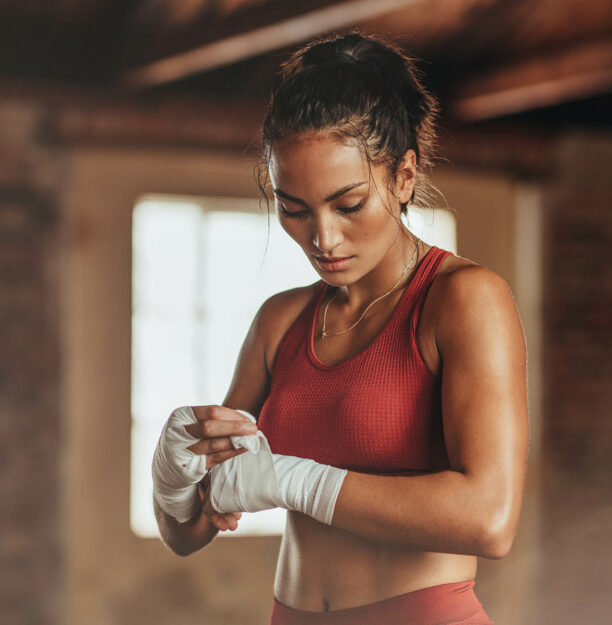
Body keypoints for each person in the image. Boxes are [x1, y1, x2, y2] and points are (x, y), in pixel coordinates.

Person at [152, 31, 529, 625]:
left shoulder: (462, 299)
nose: (321, 239)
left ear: (404, 177)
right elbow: (192, 528)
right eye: (295, 209)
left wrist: (295, 480)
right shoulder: (281, 321)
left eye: (347, 205)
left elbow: (489, 518)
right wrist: (171, 478)